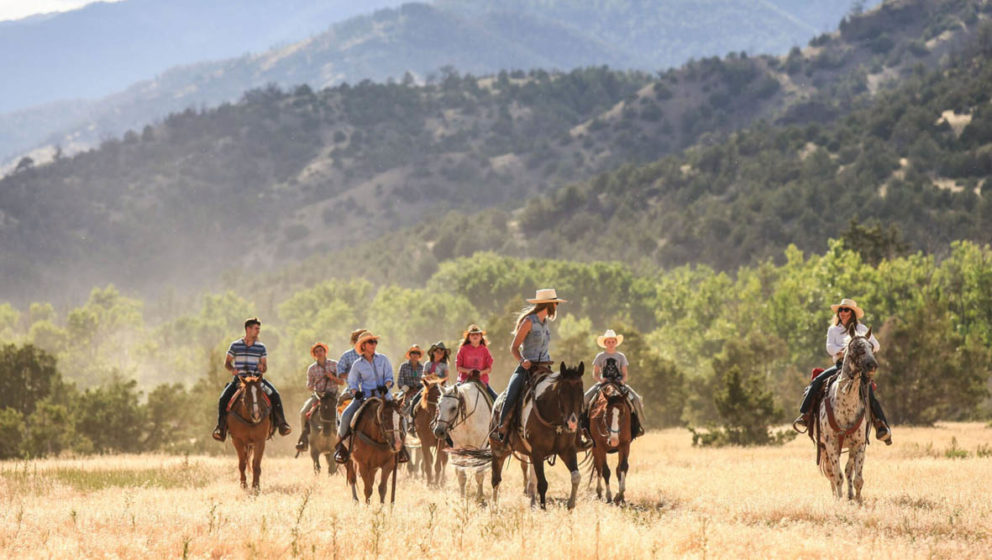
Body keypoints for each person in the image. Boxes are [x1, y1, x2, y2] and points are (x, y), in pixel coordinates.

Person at [792, 298, 892, 444]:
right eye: (841, 310)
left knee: (869, 393)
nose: (843, 313)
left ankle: (881, 425)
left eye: (846, 310)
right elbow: (829, 347)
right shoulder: (833, 329)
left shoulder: (862, 330)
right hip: (840, 365)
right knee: (816, 382)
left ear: (852, 313)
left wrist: (865, 349)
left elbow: (876, 346)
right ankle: (805, 416)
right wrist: (841, 351)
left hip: (858, 368)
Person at [494, 288, 566, 443]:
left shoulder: (545, 323)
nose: (556, 307)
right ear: (548, 305)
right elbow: (513, 347)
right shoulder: (529, 322)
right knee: (512, 393)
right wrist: (522, 361)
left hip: (545, 367)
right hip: (528, 367)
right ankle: (502, 427)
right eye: (555, 303)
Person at [212, 317, 291, 442]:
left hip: (256, 381)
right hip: (240, 381)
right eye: (256, 329)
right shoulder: (235, 345)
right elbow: (227, 363)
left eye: (259, 329)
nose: (258, 331)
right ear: (248, 329)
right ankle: (221, 428)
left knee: (275, 394)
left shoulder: (261, 347)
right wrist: (232, 369)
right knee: (223, 399)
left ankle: (282, 424)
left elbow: (264, 367)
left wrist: (262, 367)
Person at [333, 332, 407, 463]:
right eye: (371, 342)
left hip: (385, 396)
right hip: (365, 397)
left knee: (401, 418)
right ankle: (341, 448)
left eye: (375, 342)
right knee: (345, 416)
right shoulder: (357, 364)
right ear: (363, 346)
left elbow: (390, 377)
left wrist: (386, 385)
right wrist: (356, 393)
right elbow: (352, 382)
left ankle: (402, 448)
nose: (374, 344)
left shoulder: (383, 359)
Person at [582, 329, 646, 439]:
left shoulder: (621, 356)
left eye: (613, 342)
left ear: (616, 342)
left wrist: (622, 380)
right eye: (608, 342)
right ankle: (582, 427)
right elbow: (595, 373)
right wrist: (601, 380)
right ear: (605, 343)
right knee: (585, 398)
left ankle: (639, 426)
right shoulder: (600, 356)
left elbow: (625, 374)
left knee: (636, 399)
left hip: (618, 383)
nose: (611, 344)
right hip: (603, 383)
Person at [295, 342, 343, 452]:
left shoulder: (334, 364)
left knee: (345, 411)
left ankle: (347, 438)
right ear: (314, 354)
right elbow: (309, 386)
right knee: (303, 412)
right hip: (319, 396)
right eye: (316, 352)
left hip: (334, 396)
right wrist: (315, 384)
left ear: (325, 352)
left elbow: (341, 382)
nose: (319, 353)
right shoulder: (311, 369)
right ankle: (304, 440)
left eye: (321, 350)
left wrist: (331, 377)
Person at [456, 324, 498, 400]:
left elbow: (489, 369)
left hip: (481, 381)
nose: (475, 336)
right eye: (472, 334)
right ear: (468, 337)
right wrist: (468, 371)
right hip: (464, 380)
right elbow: (458, 367)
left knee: (496, 399)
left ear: (481, 336)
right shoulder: (463, 350)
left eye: (477, 334)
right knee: (451, 397)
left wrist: (481, 372)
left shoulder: (485, 350)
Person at [409, 341, 450, 414]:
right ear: (433, 352)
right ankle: (412, 419)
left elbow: (446, 377)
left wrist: (438, 379)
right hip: (428, 386)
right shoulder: (427, 364)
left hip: (441, 386)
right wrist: (428, 377)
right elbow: (425, 374)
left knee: (450, 401)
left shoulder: (444, 365)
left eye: (441, 352)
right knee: (415, 400)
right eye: (437, 351)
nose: (439, 354)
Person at [397, 344, 424, 421]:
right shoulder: (404, 366)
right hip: (406, 390)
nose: (415, 355)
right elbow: (400, 381)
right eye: (413, 352)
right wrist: (405, 388)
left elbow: (424, 381)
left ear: (419, 356)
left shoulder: (422, 367)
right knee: (399, 404)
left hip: (419, 391)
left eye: (417, 353)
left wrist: (420, 388)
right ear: (410, 354)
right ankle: (400, 421)